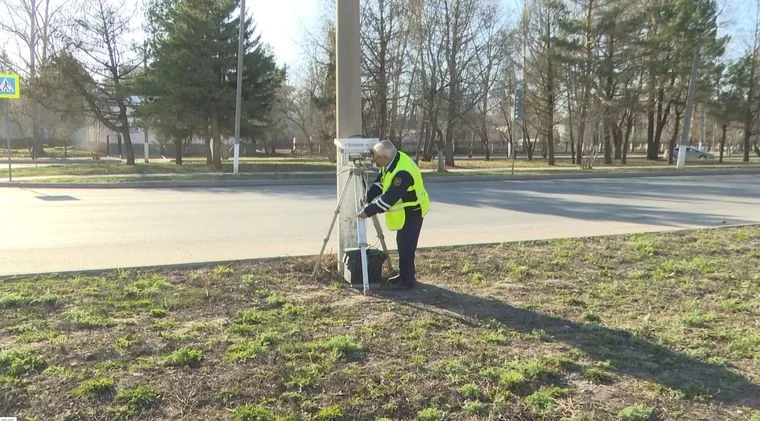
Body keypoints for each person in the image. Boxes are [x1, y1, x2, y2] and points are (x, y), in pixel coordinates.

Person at [358, 140, 430, 289]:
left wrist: (368, 211)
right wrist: (369, 196)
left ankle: (408, 281)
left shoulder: (402, 173)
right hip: (406, 211)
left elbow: (389, 198)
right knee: (402, 244)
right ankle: (404, 274)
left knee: (406, 246)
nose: (374, 160)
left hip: (413, 211)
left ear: (384, 158)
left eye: (376, 157)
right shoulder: (391, 161)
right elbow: (381, 182)